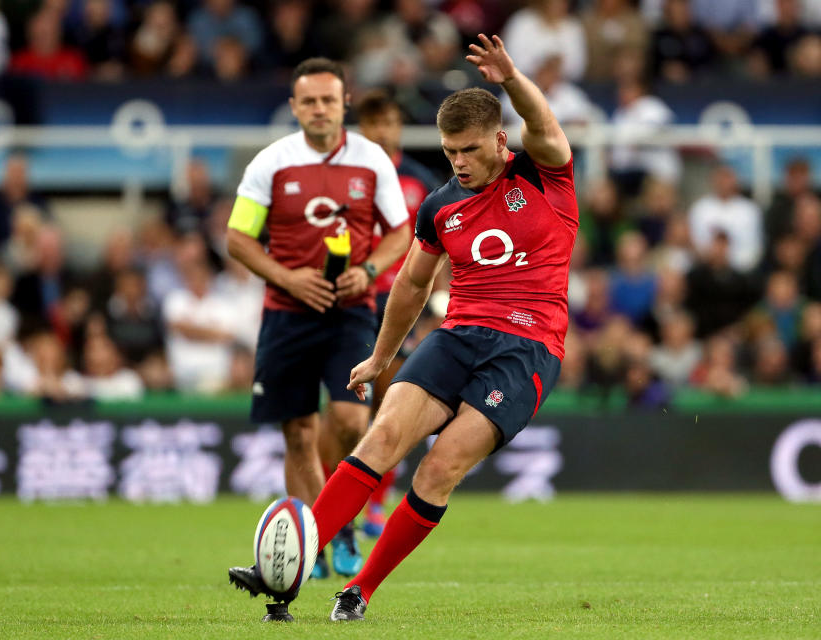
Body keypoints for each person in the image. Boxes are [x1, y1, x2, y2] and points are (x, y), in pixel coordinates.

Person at [229, 33, 577, 623]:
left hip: (528, 346)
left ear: (498, 140)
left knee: (439, 468)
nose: (458, 163)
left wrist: (513, 81)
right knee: (380, 439)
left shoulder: (545, 176)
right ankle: (288, 567)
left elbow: (543, 124)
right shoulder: (440, 205)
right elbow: (414, 285)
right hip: (458, 333)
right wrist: (381, 356)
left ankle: (360, 588)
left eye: (468, 150)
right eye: (448, 152)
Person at [224, 58, 410, 584]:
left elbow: (400, 230)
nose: (320, 109)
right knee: (299, 432)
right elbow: (238, 239)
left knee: (351, 419)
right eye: (309, 101)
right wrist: (288, 277)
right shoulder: (271, 162)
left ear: (344, 102)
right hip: (288, 314)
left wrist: (370, 268)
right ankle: (316, 547)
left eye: (329, 99)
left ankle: (339, 525)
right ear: (294, 107)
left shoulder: (371, 160)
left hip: (351, 311)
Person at [353, 89, 440, 538]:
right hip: (353, 301)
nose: (381, 130)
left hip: (399, 304)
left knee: (390, 404)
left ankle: (377, 498)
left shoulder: (420, 181)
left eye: (388, 120)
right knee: (350, 411)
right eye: (372, 122)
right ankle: (352, 495)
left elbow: (442, 248)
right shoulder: (349, 177)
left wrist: (434, 305)